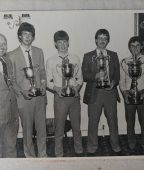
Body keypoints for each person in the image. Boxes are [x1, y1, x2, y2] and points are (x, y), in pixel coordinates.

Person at [9, 22, 47, 157]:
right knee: (28, 131)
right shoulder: (11, 55)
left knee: (42, 129)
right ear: (19, 36)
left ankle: (43, 156)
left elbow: (42, 71)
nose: (27, 37)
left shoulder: (39, 51)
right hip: (24, 99)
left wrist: (43, 83)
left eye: (30, 34)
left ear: (33, 37)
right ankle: (30, 157)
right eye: (24, 34)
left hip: (40, 97)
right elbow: (12, 80)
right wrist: (21, 92)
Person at [82, 29, 121, 156]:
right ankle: (92, 147)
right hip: (94, 93)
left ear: (108, 41)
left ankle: (115, 145)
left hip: (110, 92)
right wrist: (96, 75)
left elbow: (117, 76)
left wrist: (113, 83)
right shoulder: (88, 56)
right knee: (93, 121)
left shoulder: (114, 55)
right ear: (95, 40)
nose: (102, 41)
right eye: (100, 38)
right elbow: (85, 76)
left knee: (113, 120)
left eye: (105, 38)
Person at [46, 30, 83, 157]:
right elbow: (47, 81)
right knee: (59, 126)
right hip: (60, 97)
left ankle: (79, 150)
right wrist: (57, 89)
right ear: (55, 44)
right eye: (59, 42)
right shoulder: (51, 60)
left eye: (65, 42)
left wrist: (77, 88)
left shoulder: (75, 58)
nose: (62, 45)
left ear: (68, 43)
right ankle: (58, 152)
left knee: (76, 125)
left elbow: (80, 78)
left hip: (74, 97)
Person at [119, 36, 144, 154]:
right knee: (130, 122)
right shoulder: (124, 61)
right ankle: (131, 144)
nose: (135, 48)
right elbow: (122, 80)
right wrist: (124, 93)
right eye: (132, 46)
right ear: (129, 47)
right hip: (130, 94)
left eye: (137, 45)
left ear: (141, 47)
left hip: (142, 94)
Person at [0, 33, 19, 157]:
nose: (2, 46)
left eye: (4, 44)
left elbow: (12, 83)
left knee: (10, 145)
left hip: (11, 111)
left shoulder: (7, 61)